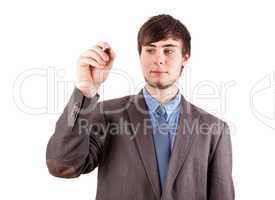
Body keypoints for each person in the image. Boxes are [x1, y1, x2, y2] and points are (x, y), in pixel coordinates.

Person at [46, 14, 234, 200]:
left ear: (185, 57)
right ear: (140, 56)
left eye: (169, 51)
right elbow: (62, 166)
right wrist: (85, 90)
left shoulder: (214, 130)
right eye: (150, 50)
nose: (158, 59)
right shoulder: (106, 115)